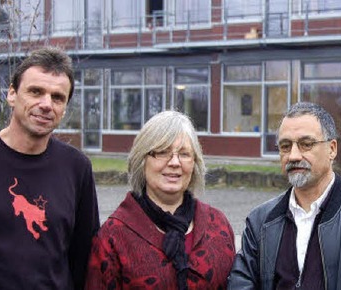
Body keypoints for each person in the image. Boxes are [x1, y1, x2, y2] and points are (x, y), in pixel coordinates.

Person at [228, 102, 341, 289]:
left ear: (332, 149)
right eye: (285, 146)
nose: (293, 156)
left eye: (306, 144)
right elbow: (240, 283)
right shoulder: (260, 221)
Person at [0, 47, 100, 289]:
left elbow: (84, 258)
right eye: (35, 92)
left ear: (64, 109)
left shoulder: (77, 168)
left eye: (57, 97)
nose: (46, 104)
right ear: (12, 94)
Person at [85, 110, 236, 289]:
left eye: (184, 154)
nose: (174, 162)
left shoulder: (218, 224)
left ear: (195, 163)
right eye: (162, 152)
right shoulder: (113, 236)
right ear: (142, 160)